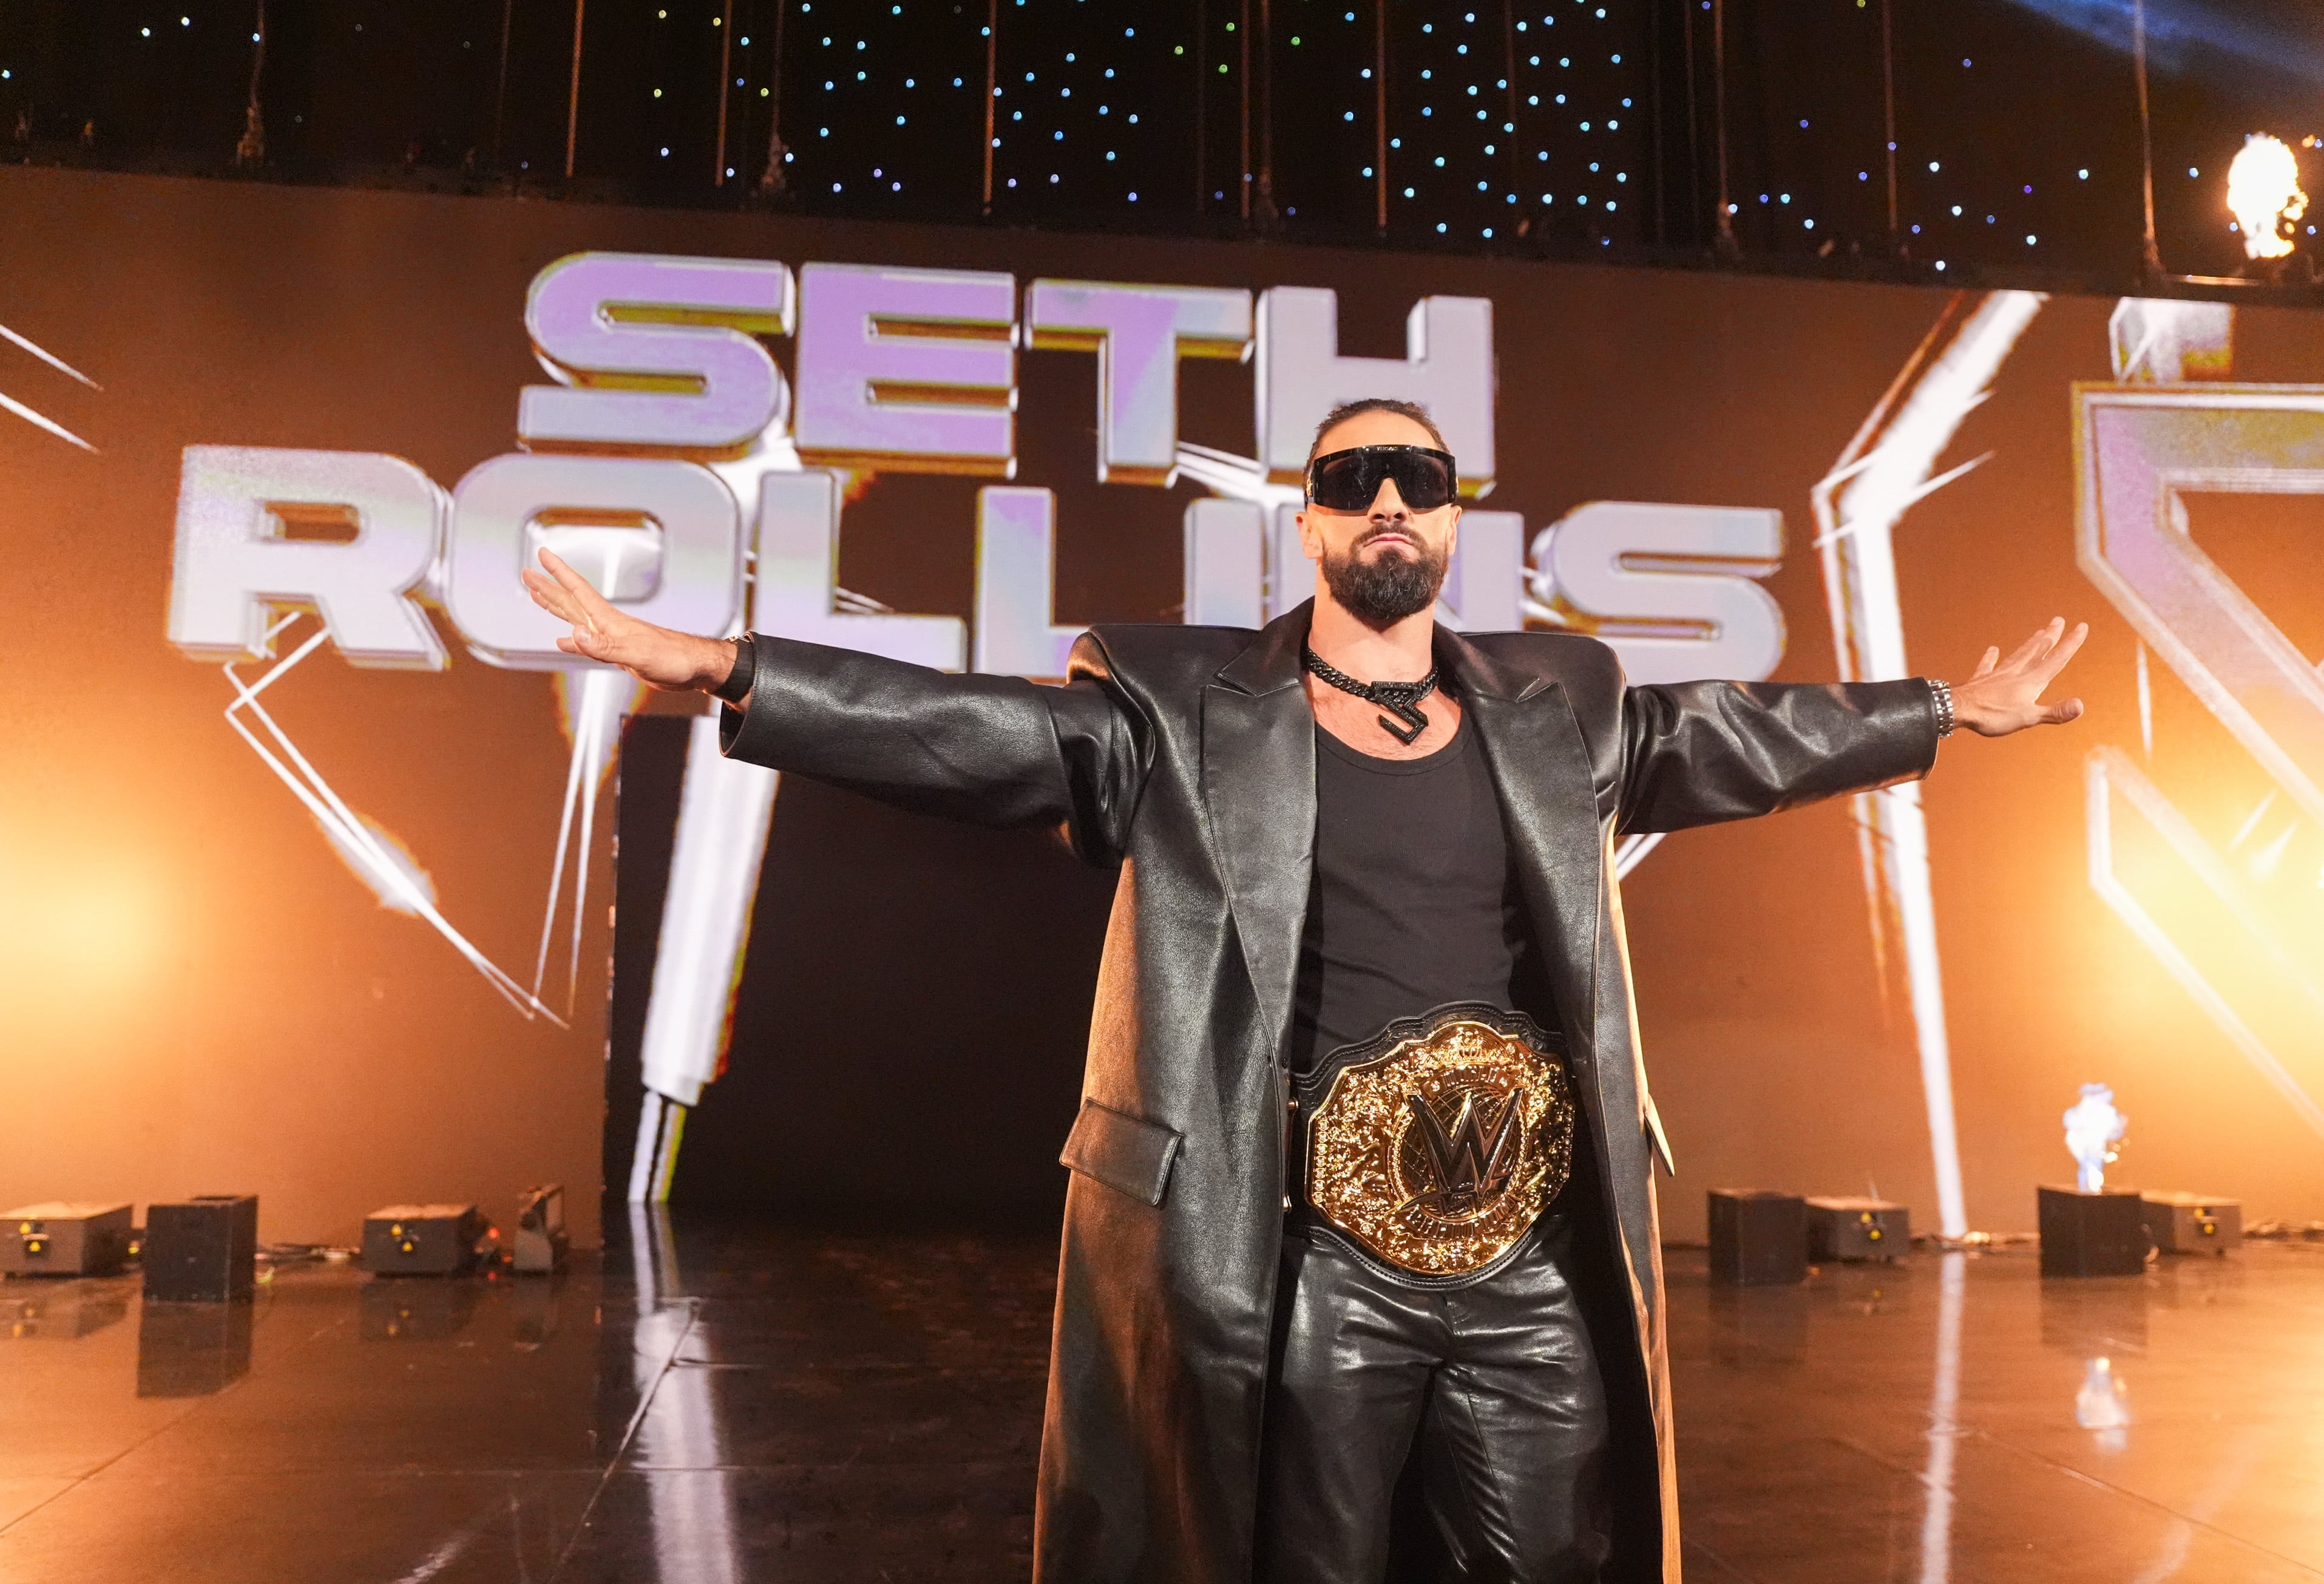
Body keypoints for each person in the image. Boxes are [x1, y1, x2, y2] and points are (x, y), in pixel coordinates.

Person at [523, 398, 2087, 1584]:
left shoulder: (1565, 706)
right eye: (1352, 482)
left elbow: (1747, 733)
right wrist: (728, 669)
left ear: (1456, 523)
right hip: (1325, 1255)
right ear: (1313, 527)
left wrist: (1941, 705)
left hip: (1530, 1257)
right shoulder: (1189, 714)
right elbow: (971, 731)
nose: (1389, 502)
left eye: (1420, 481)